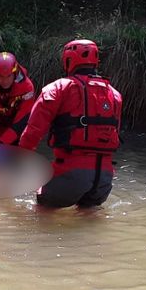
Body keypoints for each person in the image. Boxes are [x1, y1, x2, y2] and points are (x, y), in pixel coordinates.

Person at [18, 39, 123, 208]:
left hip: (70, 172)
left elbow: (33, 131)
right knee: (89, 216)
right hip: (104, 178)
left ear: (68, 60)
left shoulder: (57, 88)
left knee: (42, 206)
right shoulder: (115, 95)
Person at [0, 52, 36, 145]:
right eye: (1, 76)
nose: (5, 81)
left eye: (9, 76)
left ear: (15, 73)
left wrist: (1, 144)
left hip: (18, 135)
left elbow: (21, 123)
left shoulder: (27, 89)